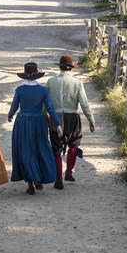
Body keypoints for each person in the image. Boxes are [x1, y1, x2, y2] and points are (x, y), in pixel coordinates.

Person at [8, 61, 62, 195]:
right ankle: (38, 177)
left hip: (23, 122)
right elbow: (50, 108)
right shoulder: (43, 90)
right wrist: (58, 124)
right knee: (40, 148)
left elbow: (14, 106)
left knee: (26, 150)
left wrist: (10, 115)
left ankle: (30, 183)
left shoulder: (20, 90)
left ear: (25, 75)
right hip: (38, 121)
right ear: (37, 74)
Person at [45, 54, 95, 187]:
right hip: (72, 116)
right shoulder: (77, 83)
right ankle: (68, 172)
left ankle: (58, 179)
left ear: (60, 67)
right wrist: (91, 120)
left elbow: (46, 102)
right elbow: (84, 103)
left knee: (56, 147)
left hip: (56, 117)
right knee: (73, 144)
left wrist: (44, 116)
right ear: (71, 68)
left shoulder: (51, 81)